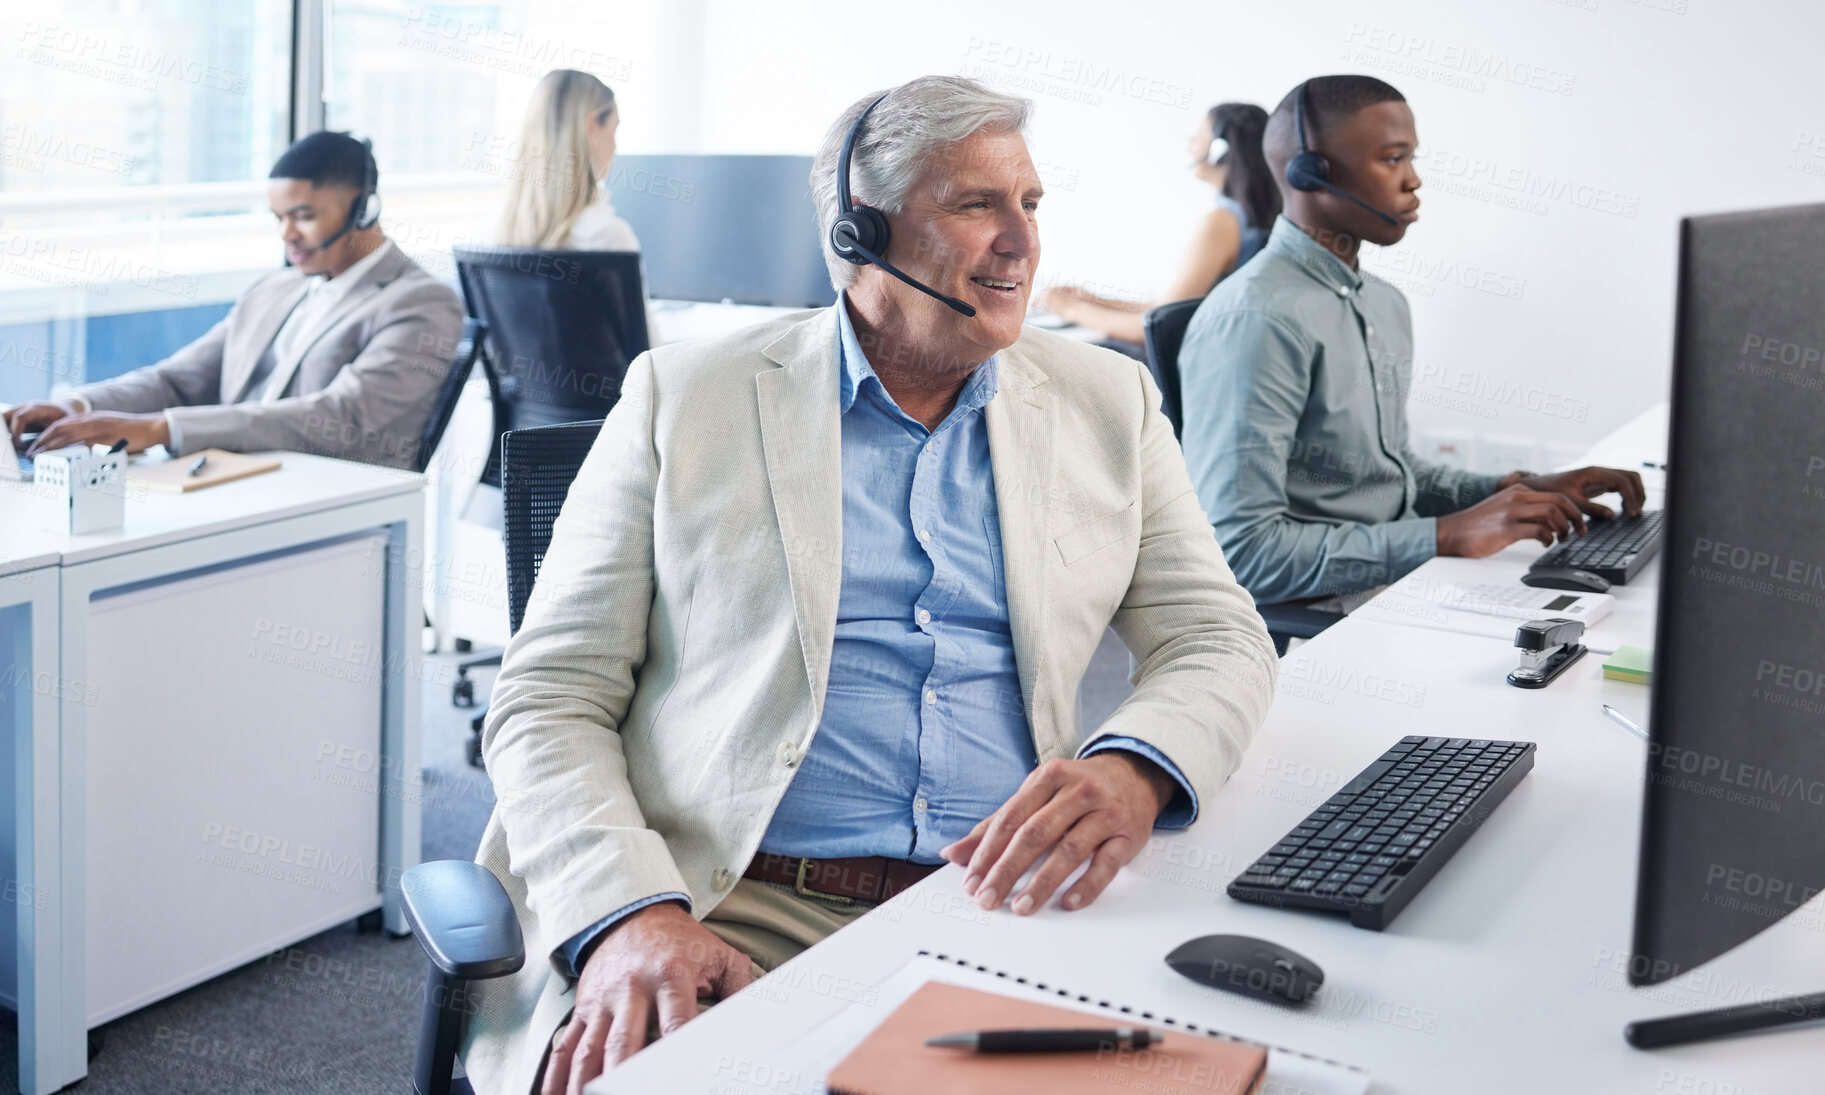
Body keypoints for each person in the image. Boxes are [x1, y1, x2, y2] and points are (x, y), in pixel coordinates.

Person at [460, 75, 1278, 1095]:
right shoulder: (688, 398)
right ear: (860, 234)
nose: (1022, 242)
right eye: (978, 205)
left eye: (1029, 204)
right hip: (732, 903)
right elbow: (548, 696)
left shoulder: (1107, 399)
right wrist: (632, 913)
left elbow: (1216, 635)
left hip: (1014, 902)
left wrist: (1135, 768)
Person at [1176, 75, 1645, 608]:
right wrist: (1444, 534)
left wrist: (1515, 489)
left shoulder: (1383, 303)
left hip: (1389, 584)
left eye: (1411, 158)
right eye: (1393, 159)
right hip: (1314, 618)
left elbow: (1388, 474)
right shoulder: (1256, 319)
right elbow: (1241, 555)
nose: (1414, 180)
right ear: (1311, 173)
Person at [3, 132, 462, 471]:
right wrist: (78, 407)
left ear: (363, 209)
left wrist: (162, 428)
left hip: (328, 501)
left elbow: (341, 417)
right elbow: (178, 379)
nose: (287, 235)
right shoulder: (275, 288)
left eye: (303, 216)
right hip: (231, 482)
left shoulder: (421, 302)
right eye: (279, 218)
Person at [1036, 102, 1279, 346]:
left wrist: (1068, 308)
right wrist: (1095, 300)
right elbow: (1169, 308)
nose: (1190, 146)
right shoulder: (1251, 219)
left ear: (1219, 149)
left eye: (1197, 136)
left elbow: (1160, 327)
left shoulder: (1222, 223)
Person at [493, 69, 638, 251]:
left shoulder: (489, 236)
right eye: (613, 130)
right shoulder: (610, 238)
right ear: (592, 126)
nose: (615, 146)